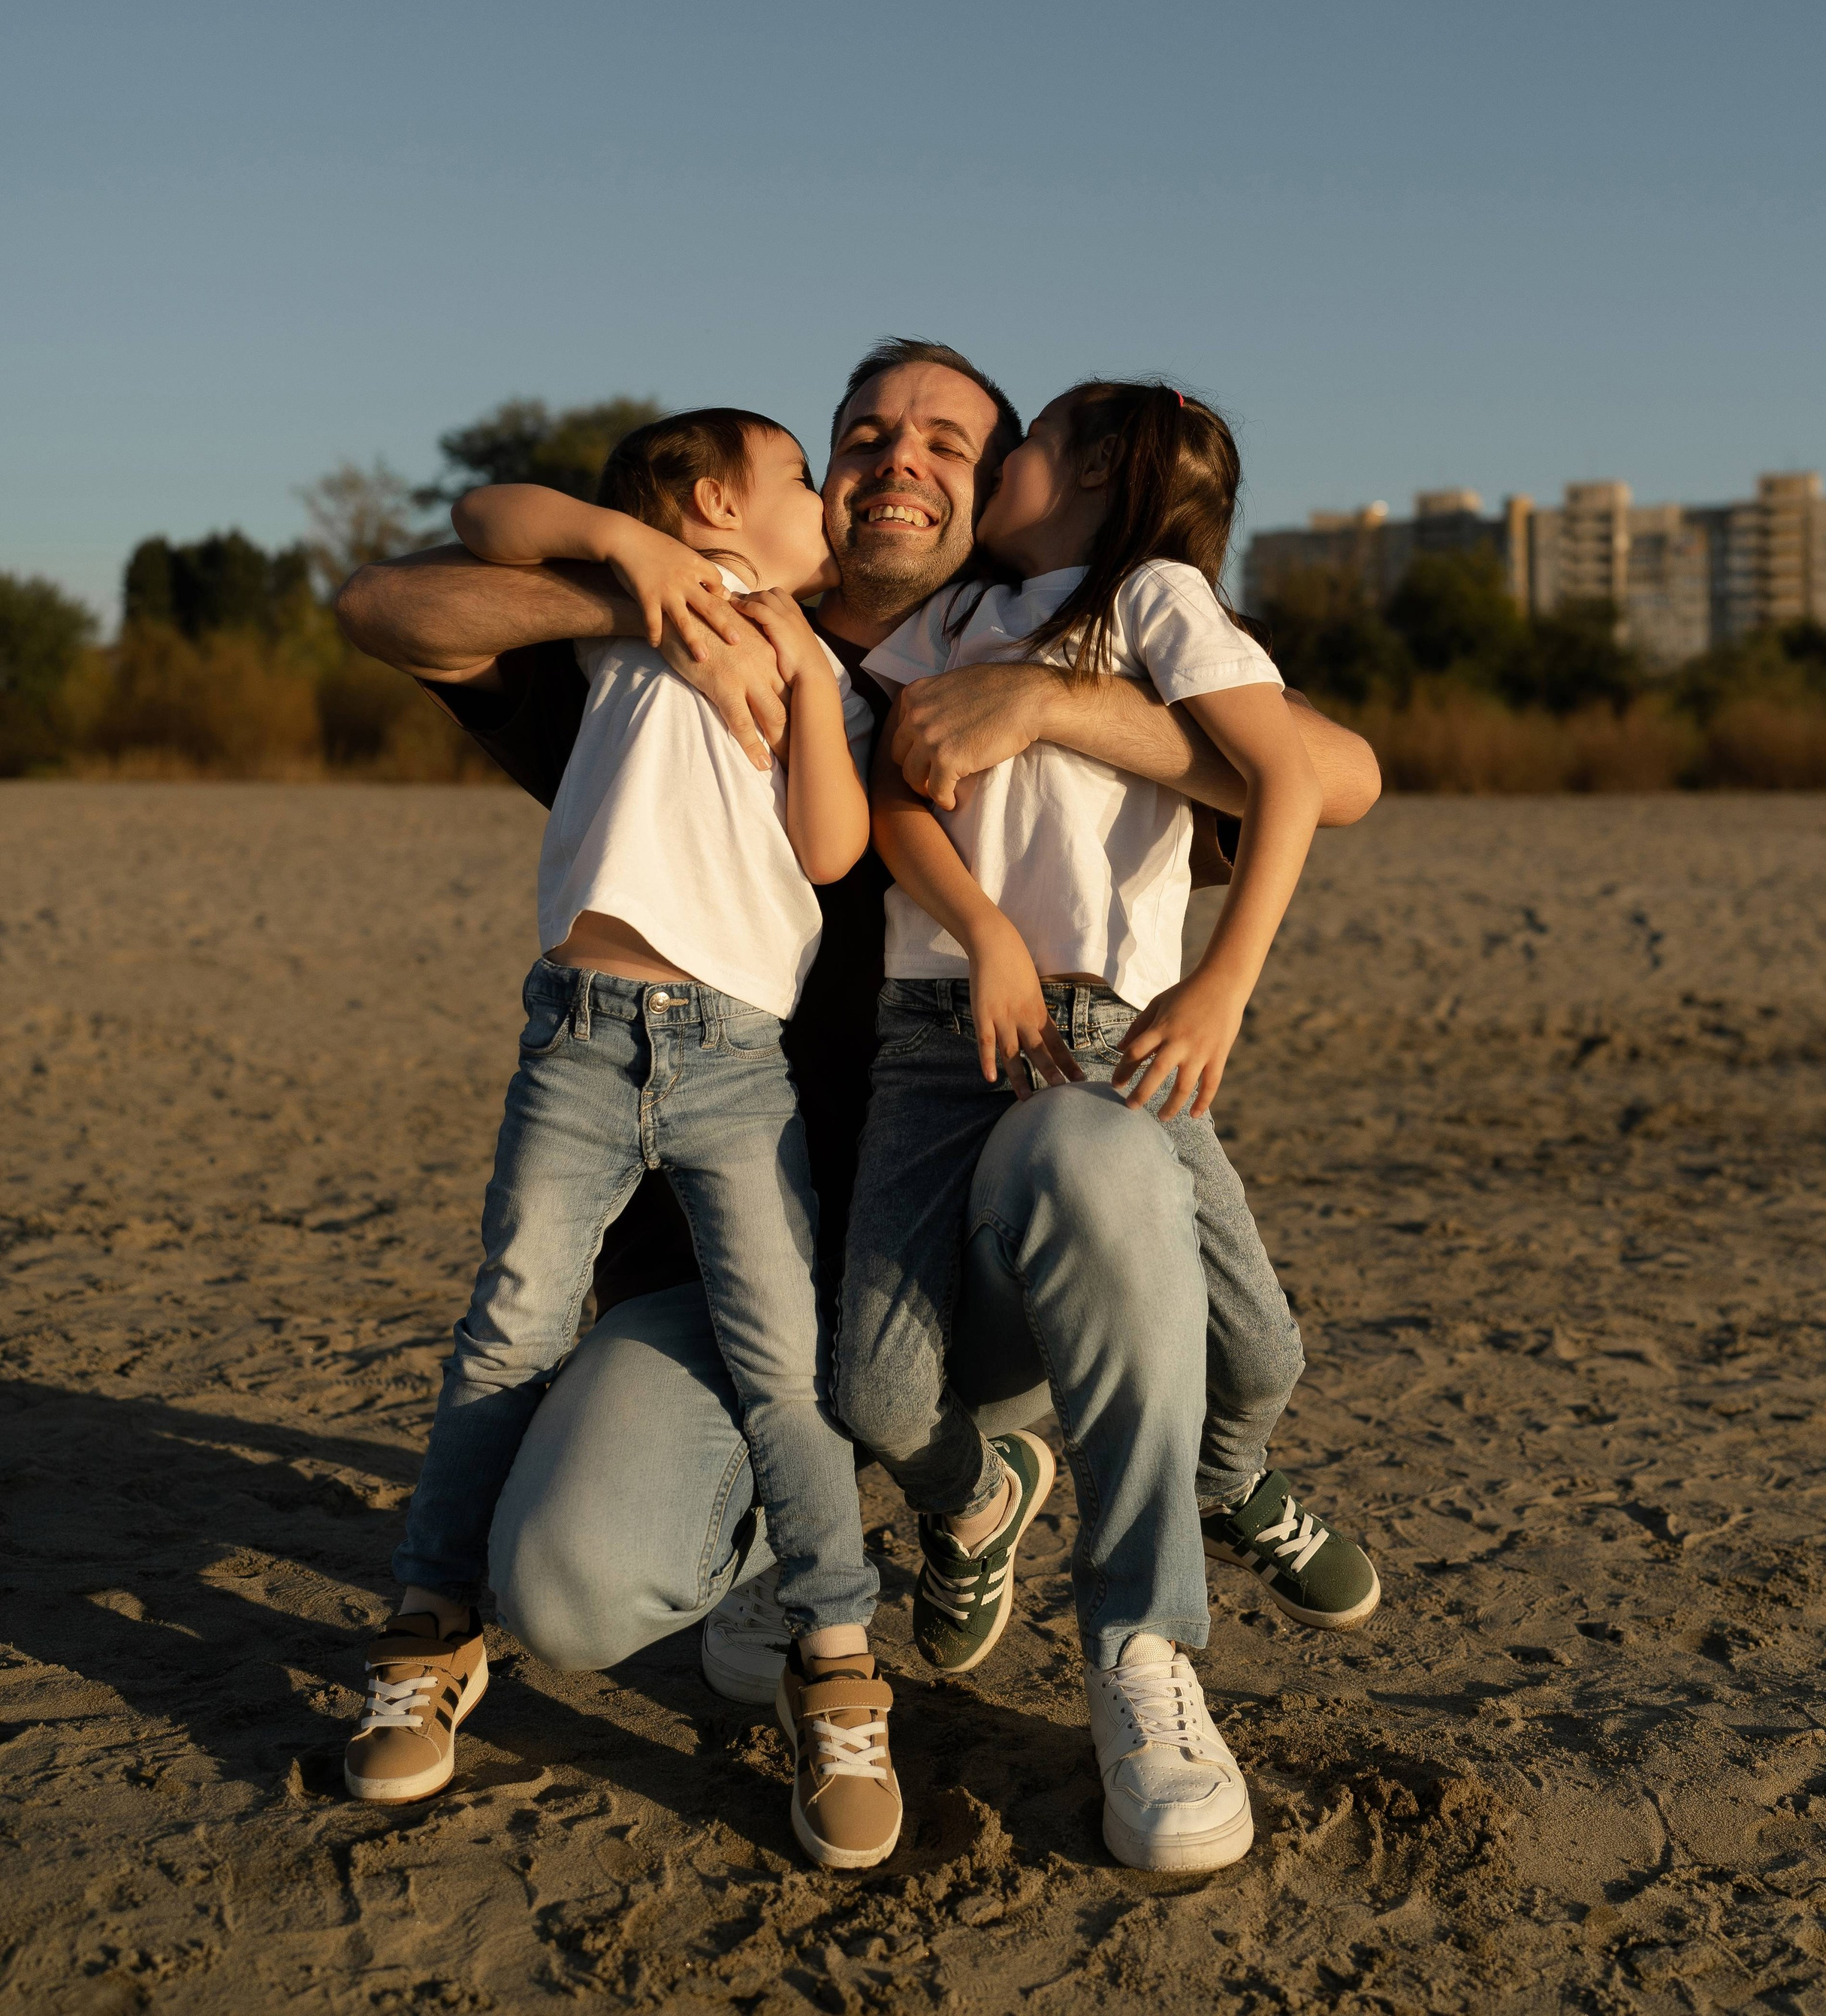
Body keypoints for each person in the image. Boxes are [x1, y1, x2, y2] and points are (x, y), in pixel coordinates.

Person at [334, 339, 1382, 1873]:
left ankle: (1138, 1655)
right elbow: (383, 607)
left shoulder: (1064, 666)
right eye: (865, 435)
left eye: (951, 444)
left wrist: (1046, 704)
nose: (901, 458)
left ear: (1004, 493)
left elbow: (1333, 774)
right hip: (712, 1271)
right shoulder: (671, 679)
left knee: (1094, 1153)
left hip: (975, 1269)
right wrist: (658, 594)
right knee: (565, 1588)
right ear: (817, 491)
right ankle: (806, 1514)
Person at [344, 410, 901, 1872]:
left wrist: (794, 674)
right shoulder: (618, 622)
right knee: (506, 1328)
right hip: (578, 1035)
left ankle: (836, 1657)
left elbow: (835, 851)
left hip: (734, 1061)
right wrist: (628, 554)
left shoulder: (809, 655)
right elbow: (481, 517)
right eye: (796, 478)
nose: (819, 504)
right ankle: (427, 1634)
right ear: (715, 498)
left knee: (782, 1359)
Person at [839, 385, 1378, 1812]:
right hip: (934, 1033)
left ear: (1095, 473)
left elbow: (1290, 777)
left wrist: (1220, 989)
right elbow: (895, 786)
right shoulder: (949, 623)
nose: (999, 464)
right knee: (874, 1388)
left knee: (1261, 1352)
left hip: (1130, 1036)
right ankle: (984, 1495)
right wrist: (985, 935)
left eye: (1021, 444)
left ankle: (1235, 1482)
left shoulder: (1154, 599)